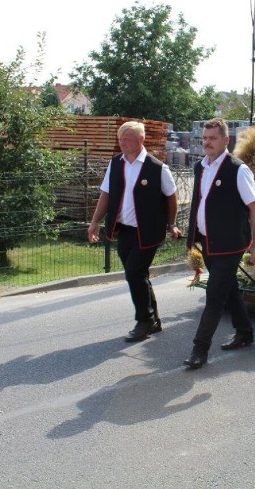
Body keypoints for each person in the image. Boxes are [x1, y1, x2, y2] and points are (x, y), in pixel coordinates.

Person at [87, 121, 181, 342]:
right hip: (124, 229)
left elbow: (172, 197)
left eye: (127, 138)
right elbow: (106, 194)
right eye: (120, 139)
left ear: (141, 140)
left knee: (133, 273)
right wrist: (94, 223)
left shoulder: (157, 168)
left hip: (148, 231)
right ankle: (154, 319)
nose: (122, 142)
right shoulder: (116, 164)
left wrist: (172, 223)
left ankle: (144, 320)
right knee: (139, 275)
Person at [184, 118, 255, 370]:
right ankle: (245, 332)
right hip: (208, 241)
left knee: (215, 295)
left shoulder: (238, 169)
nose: (207, 142)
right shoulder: (201, 167)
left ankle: (200, 349)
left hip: (230, 244)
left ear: (226, 140)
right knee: (228, 288)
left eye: (213, 138)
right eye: (205, 138)